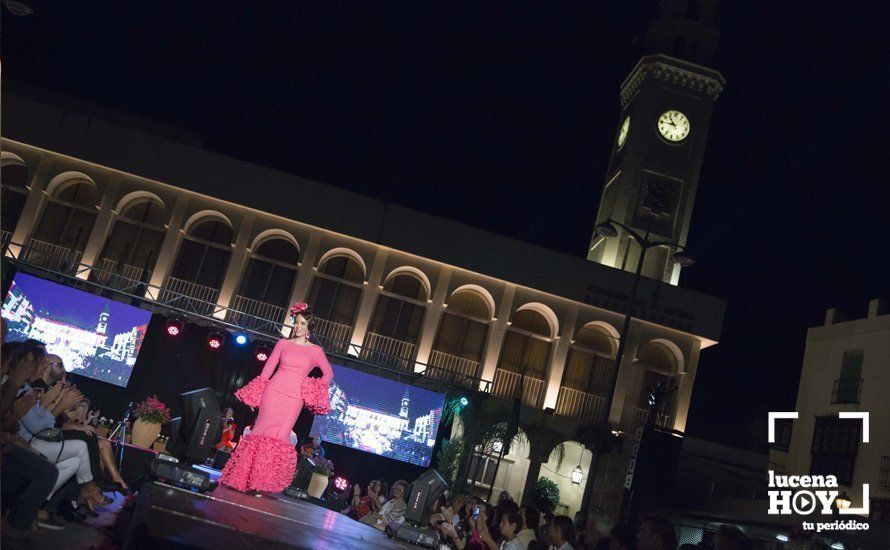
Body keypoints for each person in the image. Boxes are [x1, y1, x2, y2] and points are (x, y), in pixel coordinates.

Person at [220, 303, 334, 493]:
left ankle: (263, 483)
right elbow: (267, 371)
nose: (298, 327)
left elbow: (328, 374)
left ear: (310, 328)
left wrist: (309, 387)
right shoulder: (283, 343)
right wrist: (255, 395)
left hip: (294, 398)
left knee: (280, 437)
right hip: (273, 392)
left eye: (303, 324)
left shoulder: (316, 351)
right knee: (260, 432)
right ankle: (244, 479)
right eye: (296, 322)